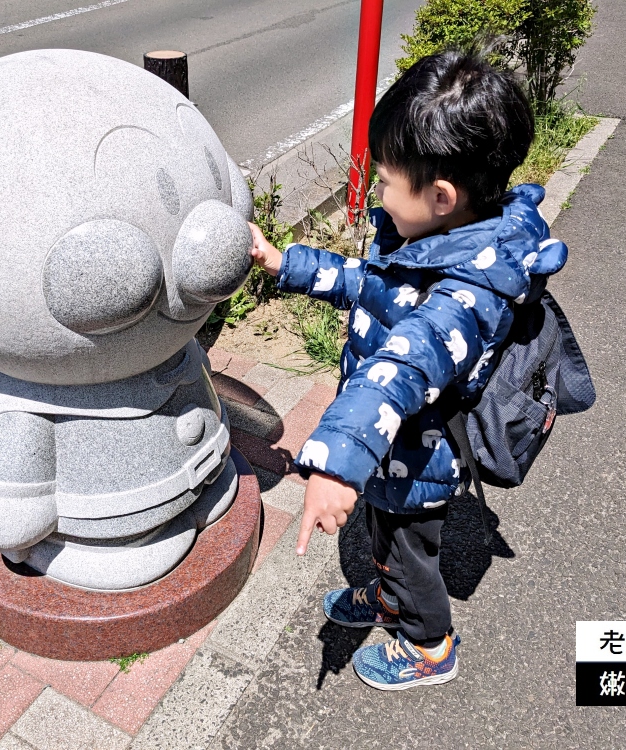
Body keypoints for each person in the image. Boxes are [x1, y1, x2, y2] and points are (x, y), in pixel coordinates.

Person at [248, 49, 569, 690]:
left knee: (406, 552)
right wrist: (290, 265)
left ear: (441, 195)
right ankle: (391, 600)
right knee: (383, 533)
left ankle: (428, 645)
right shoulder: (432, 239)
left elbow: (405, 361)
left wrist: (339, 461)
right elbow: (371, 284)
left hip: (418, 456)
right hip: (390, 444)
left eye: (386, 181)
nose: (375, 194)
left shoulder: (468, 292)